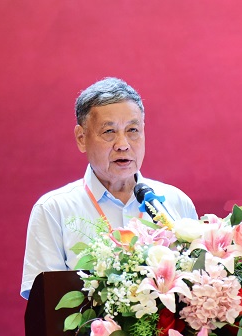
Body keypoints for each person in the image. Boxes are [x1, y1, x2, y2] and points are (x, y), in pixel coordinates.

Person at [20, 77, 198, 299]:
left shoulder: (175, 203)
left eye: (132, 130)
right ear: (81, 138)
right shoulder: (53, 210)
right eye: (109, 132)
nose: (123, 144)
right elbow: (47, 304)